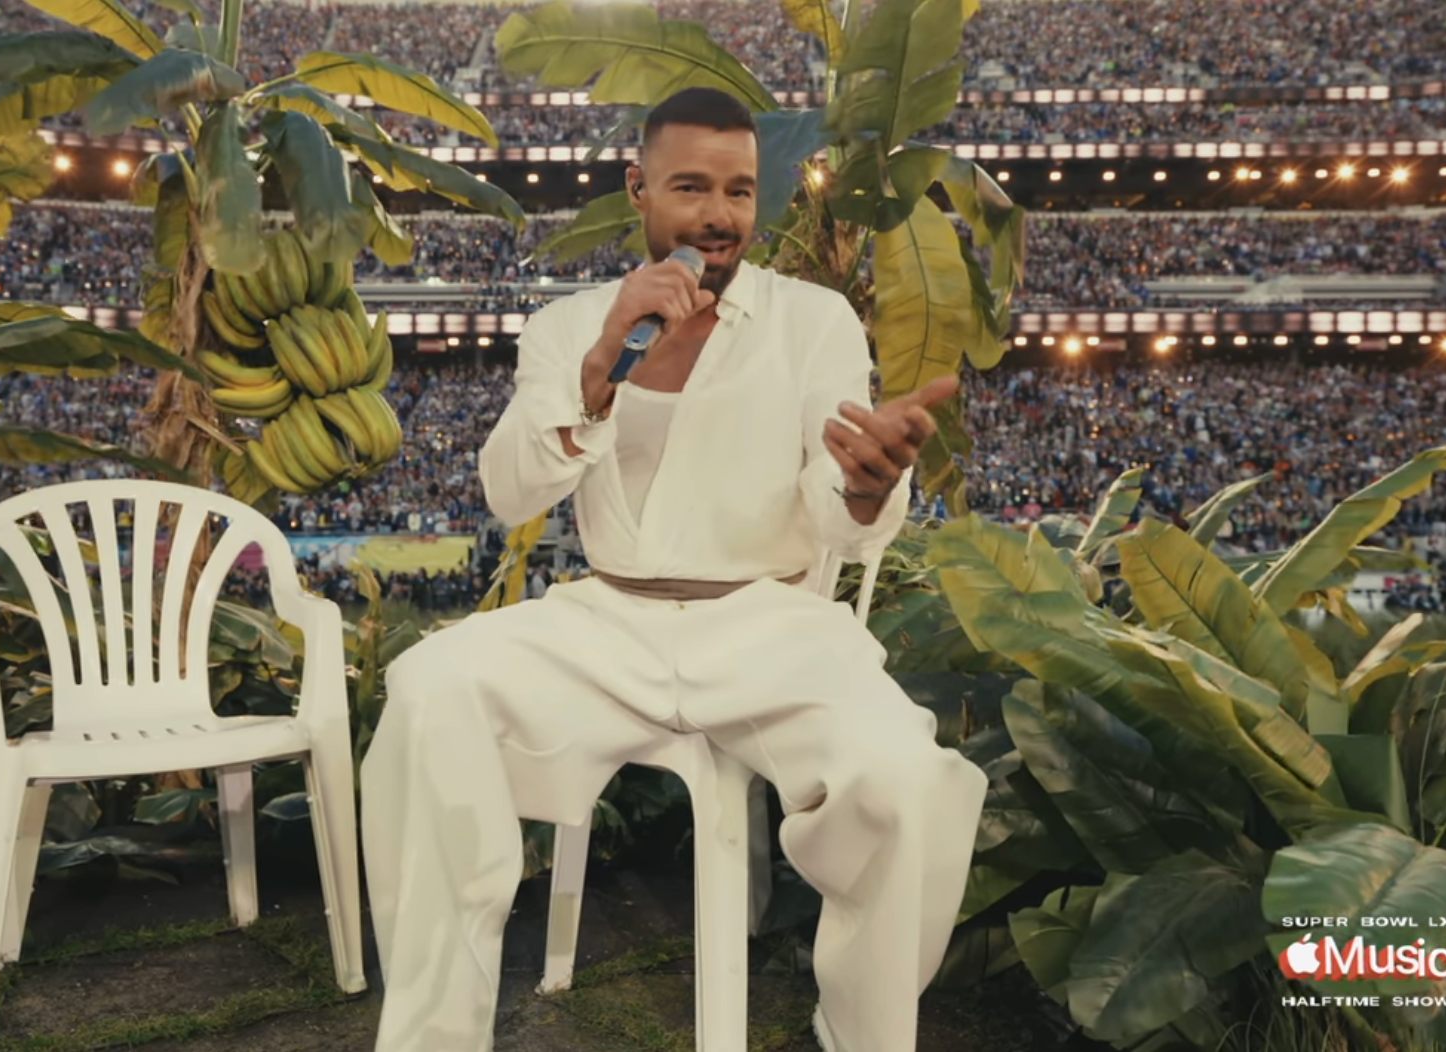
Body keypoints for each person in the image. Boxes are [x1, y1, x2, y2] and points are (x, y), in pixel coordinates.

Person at [358, 86, 988, 1052]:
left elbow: (836, 502)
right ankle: (434, 1035)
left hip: (772, 624)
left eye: (740, 190)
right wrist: (603, 361)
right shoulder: (569, 326)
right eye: (690, 186)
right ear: (638, 189)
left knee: (907, 780)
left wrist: (866, 487)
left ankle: (861, 1025)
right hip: (609, 623)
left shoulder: (814, 320)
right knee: (430, 690)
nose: (719, 215)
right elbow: (508, 494)